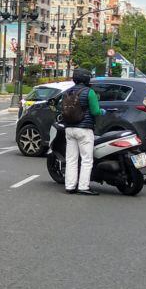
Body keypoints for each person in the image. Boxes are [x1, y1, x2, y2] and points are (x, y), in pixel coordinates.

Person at [61, 68, 103, 196]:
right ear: (87, 79)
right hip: (84, 129)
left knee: (71, 159)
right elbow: (96, 111)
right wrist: (103, 112)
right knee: (86, 159)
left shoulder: (67, 92)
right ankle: (83, 186)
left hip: (69, 129)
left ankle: (70, 186)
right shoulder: (89, 92)